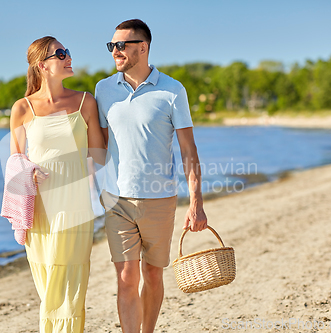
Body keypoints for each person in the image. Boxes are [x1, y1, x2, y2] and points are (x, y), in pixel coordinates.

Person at [95, 19, 208, 333]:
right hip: (116, 198)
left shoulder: (172, 91)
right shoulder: (103, 90)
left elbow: (189, 150)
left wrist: (196, 202)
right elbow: (100, 145)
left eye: (122, 45)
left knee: (153, 275)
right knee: (126, 277)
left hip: (160, 198)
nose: (115, 51)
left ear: (142, 48)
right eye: (112, 45)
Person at [9, 36, 105, 333]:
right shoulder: (22, 108)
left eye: (68, 52)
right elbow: (14, 161)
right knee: (48, 281)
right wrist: (28, 173)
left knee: (70, 282)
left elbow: (99, 156)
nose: (68, 57)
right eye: (60, 54)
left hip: (74, 207)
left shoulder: (86, 102)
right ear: (42, 65)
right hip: (38, 209)